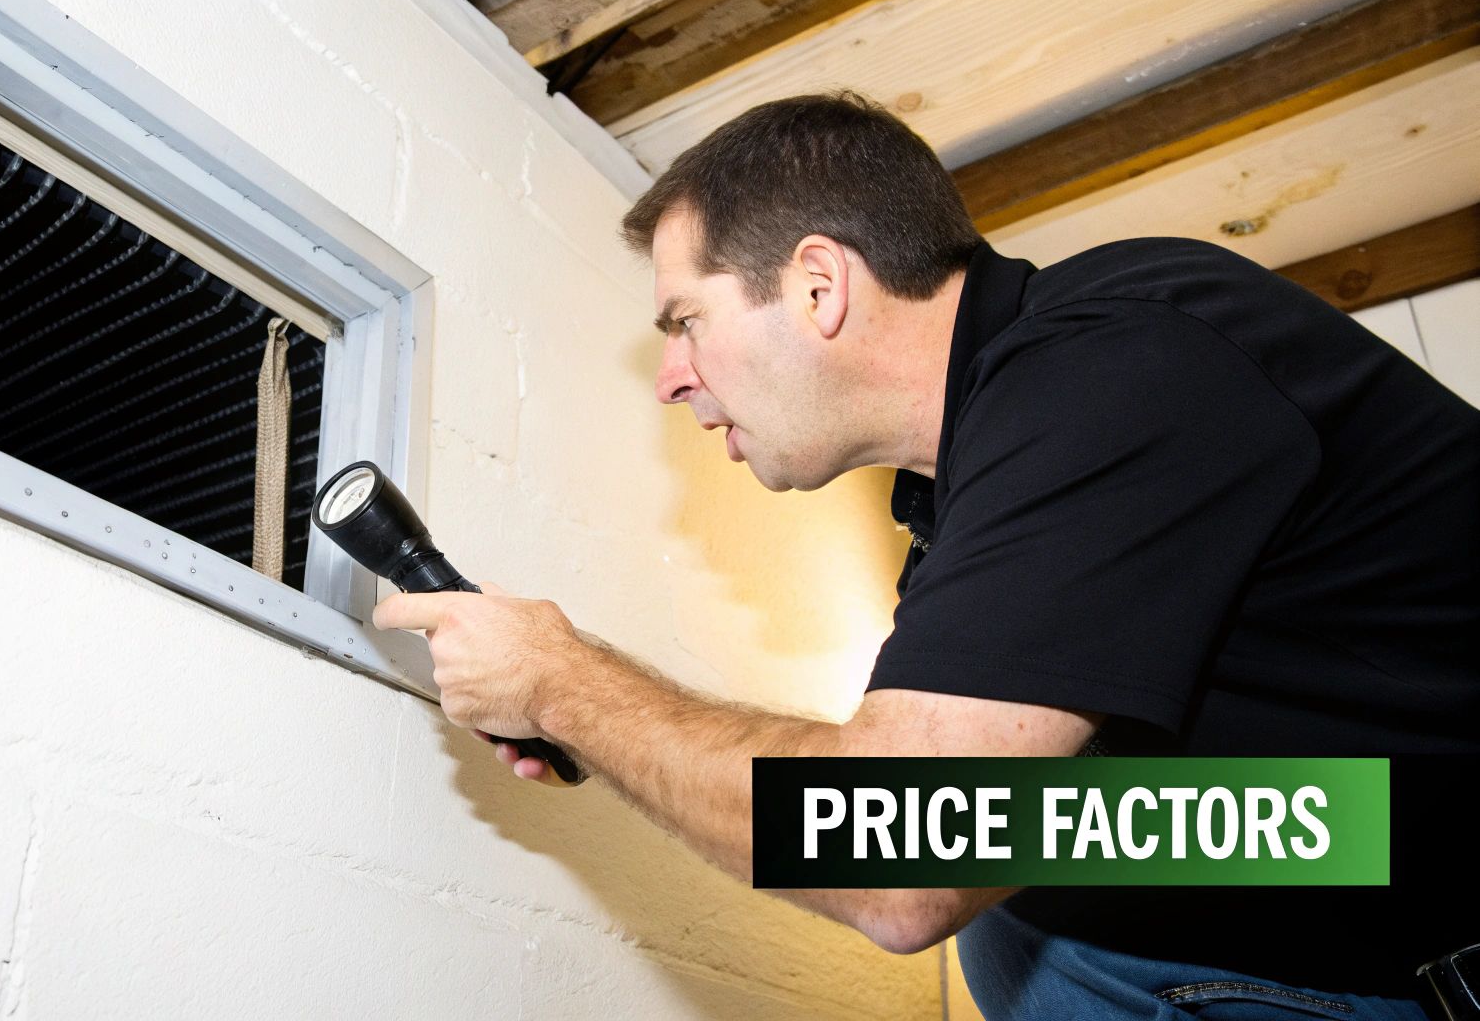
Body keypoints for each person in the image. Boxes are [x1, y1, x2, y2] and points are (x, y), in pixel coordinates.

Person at [371, 93, 1480, 1019]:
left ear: (816, 285)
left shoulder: (1118, 362)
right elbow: (1255, 819)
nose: (670, 377)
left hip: (1433, 938)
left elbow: (898, 855)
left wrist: (564, 685)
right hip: (1361, 862)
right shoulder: (968, 491)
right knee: (1028, 902)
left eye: (682, 320)